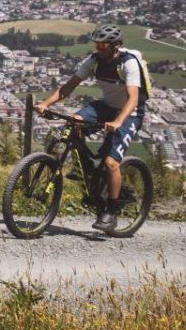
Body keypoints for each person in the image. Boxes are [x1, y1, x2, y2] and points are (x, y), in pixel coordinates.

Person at [36, 23, 149, 232]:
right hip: (106, 107)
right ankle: (86, 170)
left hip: (130, 113)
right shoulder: (94, 61)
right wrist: (46, 104)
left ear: (115, 45)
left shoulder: (128, 63)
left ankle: (112, 211)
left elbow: (133, 99)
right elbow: (68, 87)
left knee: (111, 162)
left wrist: (118, 122)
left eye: (103, 44)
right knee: (74, 121)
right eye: (97, 43)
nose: (98, 47)